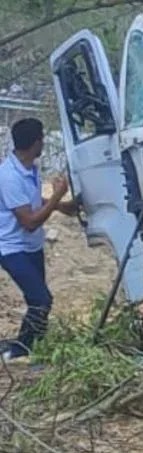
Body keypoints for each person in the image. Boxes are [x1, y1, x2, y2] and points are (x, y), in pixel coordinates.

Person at [0, 118, 75, 360]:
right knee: (42, 299)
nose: (43, 142)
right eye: (42, 138)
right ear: (34, 143)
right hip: (12, 247)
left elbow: (30, 200)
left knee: (38, 300)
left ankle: (36, 348)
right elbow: (29, 222)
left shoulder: (29, 167)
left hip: (31, 247)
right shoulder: (9, 176)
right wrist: (57, 198)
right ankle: (20, 351)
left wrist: (62, 206)